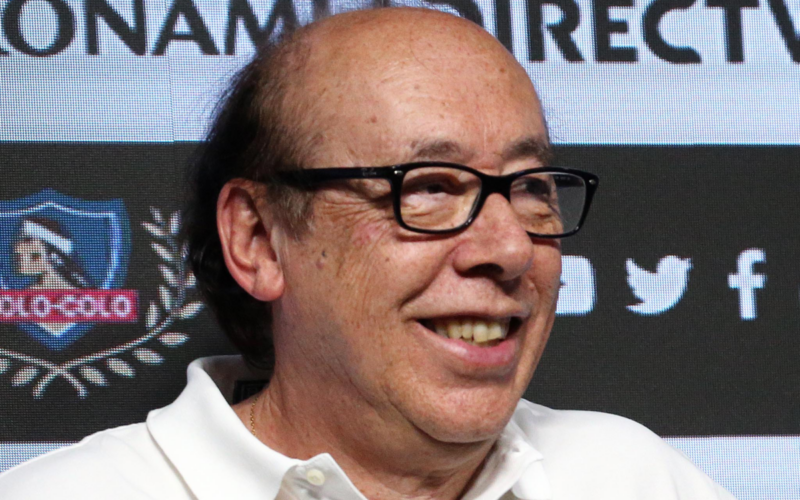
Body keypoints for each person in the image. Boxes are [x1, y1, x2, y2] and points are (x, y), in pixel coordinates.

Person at [0, 7, 736, 499]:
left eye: (531, 187)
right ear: (258, 240)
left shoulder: (635, 477)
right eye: (428, 187)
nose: (511, 246)